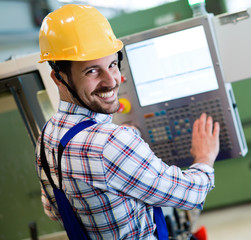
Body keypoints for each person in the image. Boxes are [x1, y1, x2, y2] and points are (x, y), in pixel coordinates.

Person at [35, 4, 220, 240]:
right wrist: (204, 157)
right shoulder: (112, 142)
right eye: (92, 71)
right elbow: (190, 195)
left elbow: (53, 210)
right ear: (58, 77)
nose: (111, 81)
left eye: (112, 64)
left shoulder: (47, 136)